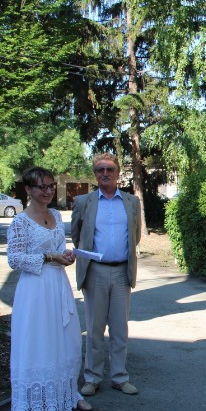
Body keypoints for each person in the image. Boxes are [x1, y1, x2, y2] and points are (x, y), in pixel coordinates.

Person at [7, 166, 92, 411]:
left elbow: (58, 248)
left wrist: (65, 255)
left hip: (57, 284)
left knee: (64, 338)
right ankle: (38, 400)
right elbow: (14, 259)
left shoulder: (55, 214)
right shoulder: (20, 221)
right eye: (41, 187)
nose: (48, 191)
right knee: (39, 339)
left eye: (51, 186)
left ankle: (68, 393)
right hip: (35, 289)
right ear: (28, 189)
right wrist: (49, 257)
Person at [71, 153, 141, 397]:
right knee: (94, 329)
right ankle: (92, 378)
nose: (105, 173)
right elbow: (77, 235)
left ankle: (120, 377)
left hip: (122, 272)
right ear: (95, 174)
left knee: (120, 328)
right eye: (100, 169)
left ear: (118, 173)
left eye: (110, 169)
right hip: (95, 272)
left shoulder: (131, 202)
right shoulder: (84, 202)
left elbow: (135, 236)